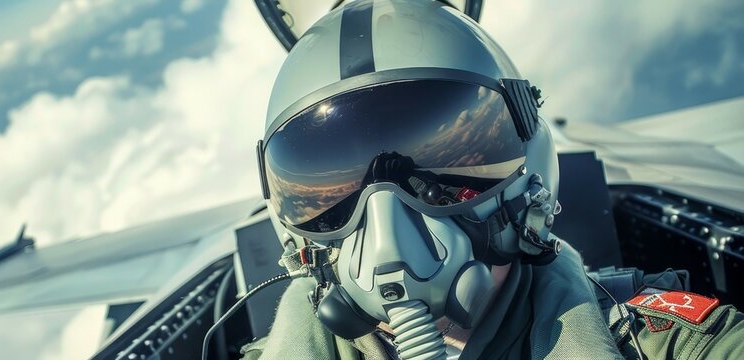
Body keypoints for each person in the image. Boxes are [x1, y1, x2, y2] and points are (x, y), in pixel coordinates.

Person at [244, 0, 744, 358]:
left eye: (435, 171)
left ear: (530, 178)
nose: (386, 232)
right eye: (338, 197)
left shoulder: (650, 341)